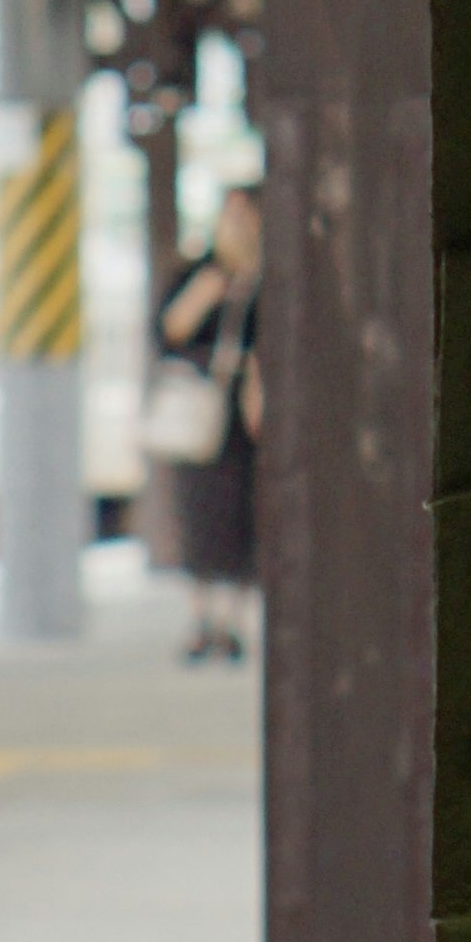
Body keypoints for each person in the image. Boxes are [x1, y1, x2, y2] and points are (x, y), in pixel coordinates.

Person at [151, 185, 261, 662]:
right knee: (197, 510)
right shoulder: (195, 272)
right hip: (200, 408)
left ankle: (232, 622)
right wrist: (209, 290)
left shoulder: (269, 279)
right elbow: (167, 332)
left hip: (244, 414)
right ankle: (201, 618)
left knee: (243, 513)